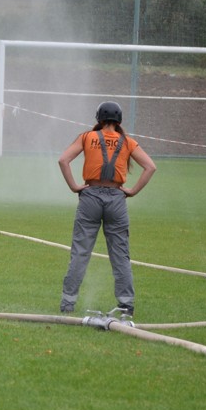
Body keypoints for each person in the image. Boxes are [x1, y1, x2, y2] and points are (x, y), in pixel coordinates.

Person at [57, 101, 157, 315]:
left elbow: (63, 160)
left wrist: (75, 186)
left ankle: (67, 303)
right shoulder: (128, 142)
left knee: (80, 253)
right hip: (116, 199)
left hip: (90, 197)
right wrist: (132, 191)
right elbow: (150, 167)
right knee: (120, 255)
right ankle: (126, 306)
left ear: (99, 119)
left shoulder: (87, 137)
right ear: (119, 120)